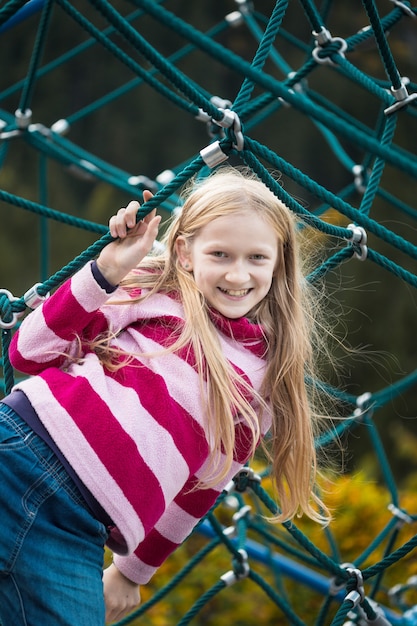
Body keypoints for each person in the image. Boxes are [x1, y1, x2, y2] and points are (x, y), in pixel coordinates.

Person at [0, 166, 331, 625]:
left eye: (257, 258)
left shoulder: (264, 381)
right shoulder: (154, 290)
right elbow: (29, 351)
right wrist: (110, 269)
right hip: (19, 453)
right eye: (220, 253)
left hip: (78, 528)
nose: (238, 274)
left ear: (279, 264)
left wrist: (133, 573)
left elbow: (200, 489)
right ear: (186, 252)